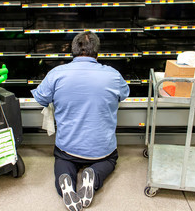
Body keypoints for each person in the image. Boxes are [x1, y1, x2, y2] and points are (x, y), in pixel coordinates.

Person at [31, 31, 130, 211]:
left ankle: (66, 182)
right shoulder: (113, 75)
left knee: (62, 160)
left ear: (73, 50)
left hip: (68, 147)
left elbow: (40, 98)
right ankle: (93, 174)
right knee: (110, 160)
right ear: (97, 52)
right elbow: (124, 94)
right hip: (102, 150)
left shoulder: (56, 73)